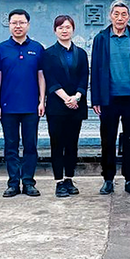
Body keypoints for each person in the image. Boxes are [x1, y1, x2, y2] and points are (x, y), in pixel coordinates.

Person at [91, 0, 130, 195]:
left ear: (129, 17)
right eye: (116, 14)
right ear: (110, 16)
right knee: (107, 140)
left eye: (123, 14)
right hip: (108, 98)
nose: (119, 18)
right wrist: (96, 99)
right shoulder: (101, 38)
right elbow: (95, 69)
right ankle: (108, 179)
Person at [0, 9, 46, 198]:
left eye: (22, 23)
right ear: (9, 25)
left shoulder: (37, 48)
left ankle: (29, 182)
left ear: (28, 25)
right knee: (11, 146)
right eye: (14, 23)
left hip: (31, 106)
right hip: (8, 106)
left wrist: (42, 100)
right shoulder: (1, 49)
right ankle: (13, 183)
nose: (18, 26)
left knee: (30, 145)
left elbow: (41, 76)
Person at [42, 15, 89, 198]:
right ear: (55, 31)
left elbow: (84, 77)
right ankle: (59, 181)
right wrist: (66, 98)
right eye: (60, 27)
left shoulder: (81, 53)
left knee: (72, 144)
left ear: (73, 30)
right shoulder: (48, 53)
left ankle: (69, 178)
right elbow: (50, 79)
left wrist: (76, 97)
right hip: (57, 107)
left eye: (67, 27)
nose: (64, 30)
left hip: (76, 106)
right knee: (57, 144)